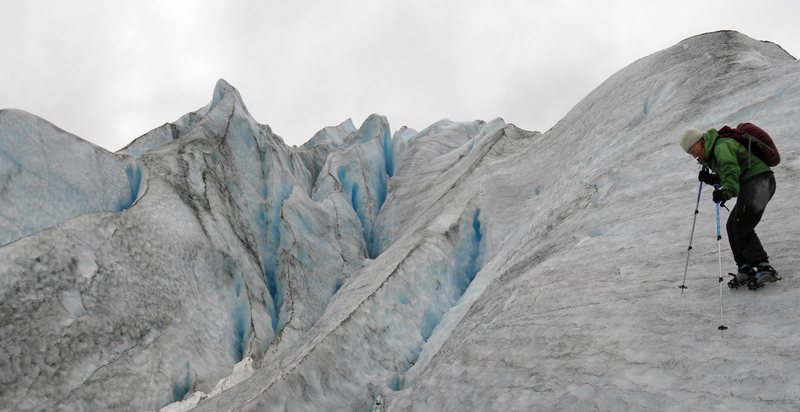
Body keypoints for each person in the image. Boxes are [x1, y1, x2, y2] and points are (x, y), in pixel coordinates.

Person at [679, 127, 779, 288]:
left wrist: (725, 193)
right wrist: (711, 179)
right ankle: (745, 268)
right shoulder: (714, 152)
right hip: (754, 182)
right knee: (732, 226)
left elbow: (732, 172)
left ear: (701, 141)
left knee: (741, 225)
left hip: (760, 181)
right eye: (689, 153)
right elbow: (728, 173)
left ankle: (764, 267)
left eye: (692, 149)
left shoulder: (721, 147)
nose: (693, 155)